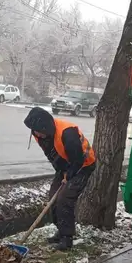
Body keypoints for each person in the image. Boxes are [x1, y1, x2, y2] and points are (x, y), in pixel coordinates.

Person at [23, 107, 96, 251]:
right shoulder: (41, 135)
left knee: (64, 199)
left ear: (45, 127)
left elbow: (78, 160)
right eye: (34, 130)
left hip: (83, 166)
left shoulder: (67, 133)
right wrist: (62, 173)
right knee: (53, 198)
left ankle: (66, 239)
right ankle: (60, 230)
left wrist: (68, 176)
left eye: (37, 130)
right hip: (65, 166)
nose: (35, 133)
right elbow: (53, 155)